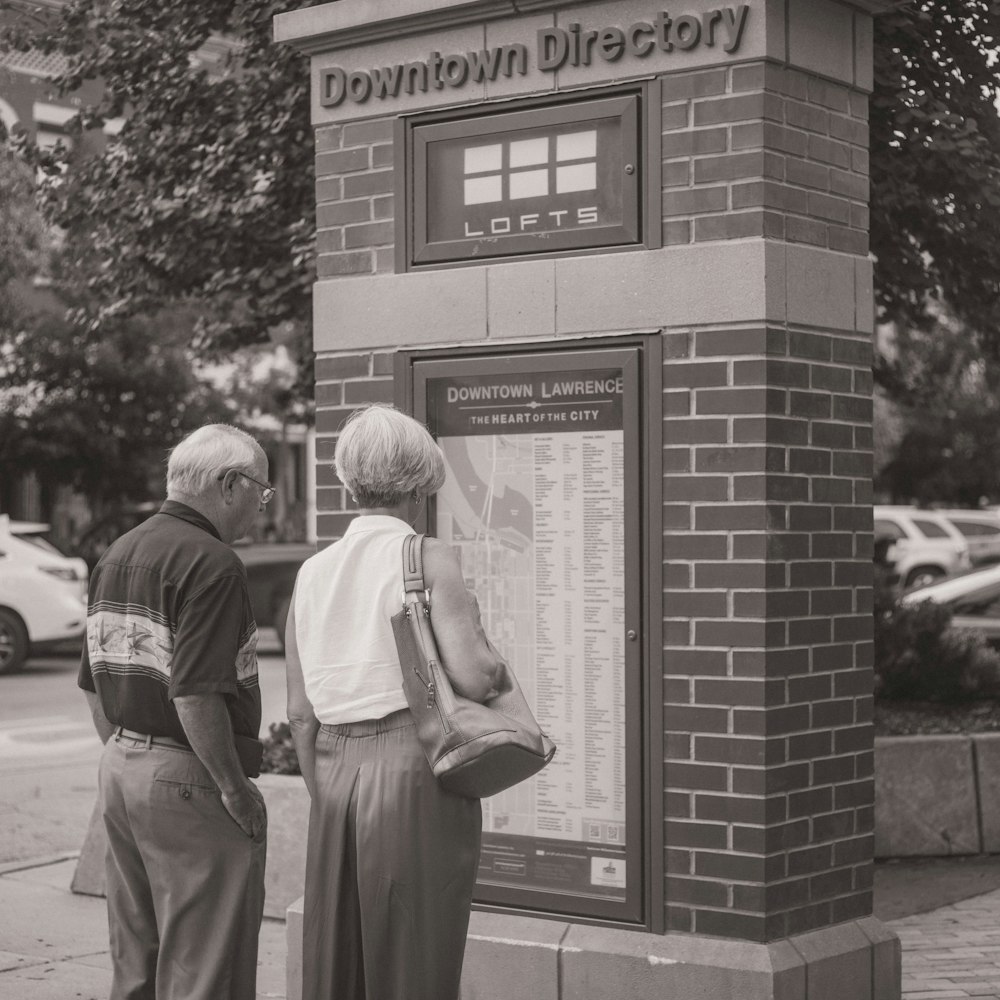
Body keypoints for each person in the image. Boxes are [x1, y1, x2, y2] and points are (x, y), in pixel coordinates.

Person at [286, 403, 501, 1000]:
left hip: (332, 769)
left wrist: (326, 788)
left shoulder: (313, 571)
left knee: (337, 957)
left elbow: (300, 712)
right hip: (414, 764)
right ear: (421, 481)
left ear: (349, 479)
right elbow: (475, 679)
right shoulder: (428, 557)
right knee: (416, 956)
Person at [79, 423, 272, 1000]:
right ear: (229, 484)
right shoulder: (213, 563)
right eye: (261, 492)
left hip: (122, 769)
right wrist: (235, 790)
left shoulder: (117, 552)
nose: (262, 509)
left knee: (136, 957)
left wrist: (132, 753)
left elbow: (92, 685)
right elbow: (195, 694)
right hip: (190, 776)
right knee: (206, 967)